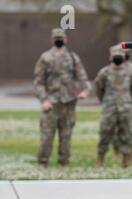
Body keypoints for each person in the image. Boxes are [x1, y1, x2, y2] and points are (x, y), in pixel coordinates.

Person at [33, 28, 90, 168]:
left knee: (66, 135)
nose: (59, 40)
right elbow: (38, 82)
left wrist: (85, 90)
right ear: (51, 40)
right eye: (56, 38)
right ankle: (42, 163)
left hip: (68, 103)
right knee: (46, 136)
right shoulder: (45, 57)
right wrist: (44, 100)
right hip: (51, 103)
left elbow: (82, 77)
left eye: (61, 37)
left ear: (66, 39)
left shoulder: (72, 57)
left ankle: (64, 163)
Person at [95, 46, 132, 168]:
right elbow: (98, 89)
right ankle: (100, 159)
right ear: (110, 57)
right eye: (115, 56)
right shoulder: (104, 72)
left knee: (126, 133)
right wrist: (105, 101)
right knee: (105, 133)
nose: (117, 58)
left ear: (123, 57)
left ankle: (126, 160)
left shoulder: (130, 72)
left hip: (126, 108)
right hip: (109, 108)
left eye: (119, 56)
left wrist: (130, 102)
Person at [112, 48, 132, 157]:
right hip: (115, 102)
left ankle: (131, 149)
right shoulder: (113, 68)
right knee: (116, 126)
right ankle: (116, 149)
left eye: (126, 52)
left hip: (131, 102)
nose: (125, 54)